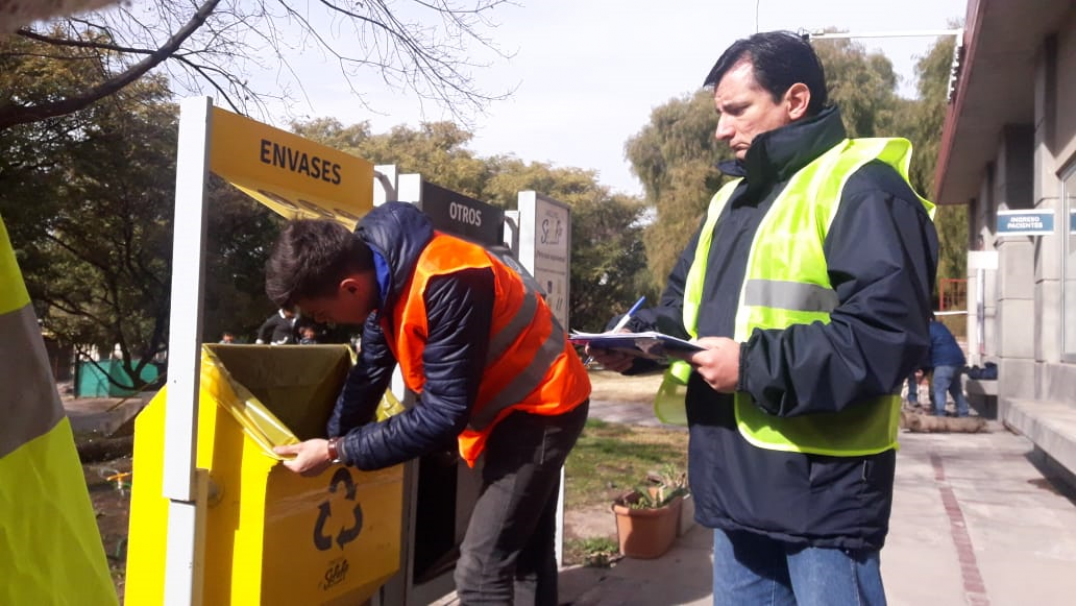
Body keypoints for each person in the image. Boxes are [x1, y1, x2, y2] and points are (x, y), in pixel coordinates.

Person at [587, 31, 937, 605]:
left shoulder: (862, 187)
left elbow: (887, 337)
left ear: (795, 100)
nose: (722, 129)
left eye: (737, 110)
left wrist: (751, 366)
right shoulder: (730, 201)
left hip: (821, 495)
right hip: (733, 483)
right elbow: (684, 309)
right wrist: (636, 346)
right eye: (720, 113)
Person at [264, 202, 591, 605]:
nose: (328, 323)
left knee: (480, 570)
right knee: (522, 551)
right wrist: (329, 442)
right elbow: (368, 374)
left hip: (543, 408)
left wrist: (336, 451)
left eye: (322, 314)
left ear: (350, 286)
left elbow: (442, 415)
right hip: (511, 411)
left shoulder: (449, 278)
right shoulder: (383, 281)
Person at [927, 314, 970, 417]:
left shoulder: (926, 330)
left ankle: (940, 415)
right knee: (955, 389)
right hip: (958, 360)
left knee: (939, 389)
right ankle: (963, 413)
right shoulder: (941, 326)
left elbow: (926, 349)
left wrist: (919, 367)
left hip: (944, 362)